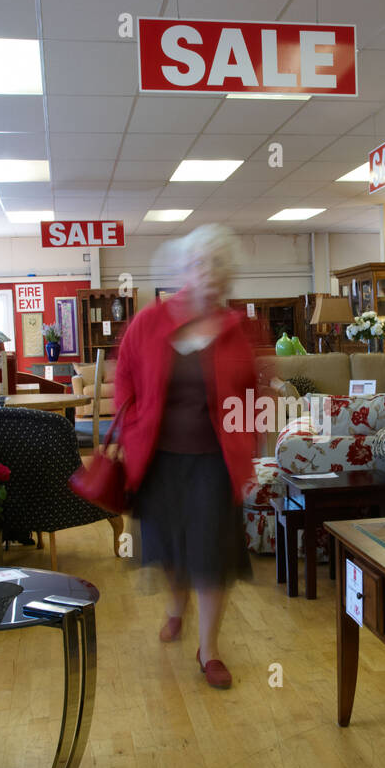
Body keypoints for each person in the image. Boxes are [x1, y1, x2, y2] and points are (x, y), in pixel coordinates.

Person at [115, 225, 257, 689]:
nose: (209, 274)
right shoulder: (150, 322)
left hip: (215, 462)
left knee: (212, 553)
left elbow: (252, 394)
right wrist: (135, 428)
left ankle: (208, 649)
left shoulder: (236, 331)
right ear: (185, 271)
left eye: (219, 266)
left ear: (229, 278)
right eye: (200, 264)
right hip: (159, 459)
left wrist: (246, 447)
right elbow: (125, 382)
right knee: (172, 547)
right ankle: (177, 607)